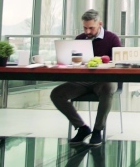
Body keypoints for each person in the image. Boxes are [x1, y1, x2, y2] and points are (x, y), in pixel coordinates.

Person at [50, 9, 121, 146]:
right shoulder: (80, 38)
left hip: (103, 81)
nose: (87, 32)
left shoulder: (112, 38)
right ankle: (82, 128)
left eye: (91, 28)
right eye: (85, 28)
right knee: (57, 94)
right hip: (81, 81)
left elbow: (119, 59)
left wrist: (102, 60)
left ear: (99, 24)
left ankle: (97, 130)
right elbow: (74, 59)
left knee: (109, 87)